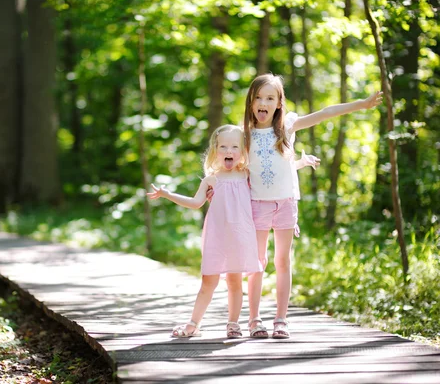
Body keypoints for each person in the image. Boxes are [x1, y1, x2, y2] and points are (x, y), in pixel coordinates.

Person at [239, 73, 382, 339]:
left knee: (283, 260)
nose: (263, 102)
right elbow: (234, 166)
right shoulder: (244, 134)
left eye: (270, 98)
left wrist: (361, 104)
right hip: (256, 204)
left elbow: (325, 113)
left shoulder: (288, 126)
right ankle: (254, 320)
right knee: (257, 262)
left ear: (279, 103)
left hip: (286, 203)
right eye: (258, 97)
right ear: (250, 102)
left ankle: (281, 320)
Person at [148, 124, 262, 338]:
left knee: (234, 282)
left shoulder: (247, 175)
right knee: (208, 282)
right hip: (217, 237)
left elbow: (271, 179)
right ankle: (193, 324)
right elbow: (195, 203)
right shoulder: (212, 179)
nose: (229, 151)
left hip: (240, 237)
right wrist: (167, 194)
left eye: (235, 147)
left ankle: (233, 323)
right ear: (215, 150)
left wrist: (299, 163)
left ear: (243, 151)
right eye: (223, 147)